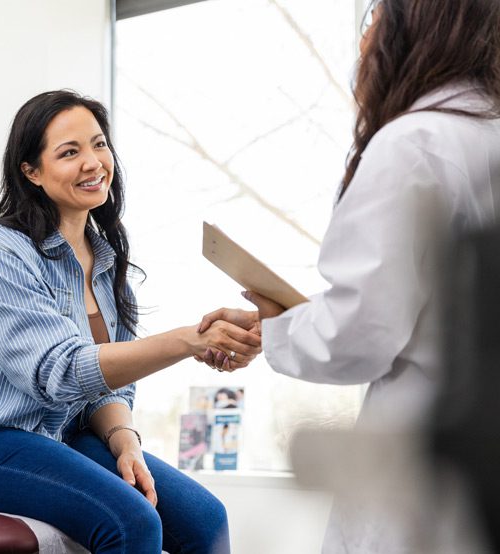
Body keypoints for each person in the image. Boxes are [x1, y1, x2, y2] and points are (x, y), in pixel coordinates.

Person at [197, 0, 500, 551]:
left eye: (376, 18)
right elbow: (423, 300)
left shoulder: (415, 145)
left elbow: (359, 335)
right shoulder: (484, 134)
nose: (367, 37)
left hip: (424, 460)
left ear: (416, 29)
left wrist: (280, 327)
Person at [0, 90, 262, 554]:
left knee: (205, 520)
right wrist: (189, 341)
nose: (93, 162)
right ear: (31, 172)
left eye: (99, 144)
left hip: (58, 435)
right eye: (69, 152)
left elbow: (107, 389)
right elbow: (60, 373)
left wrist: (125, 442)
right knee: (132, 522)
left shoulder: (104, 261)